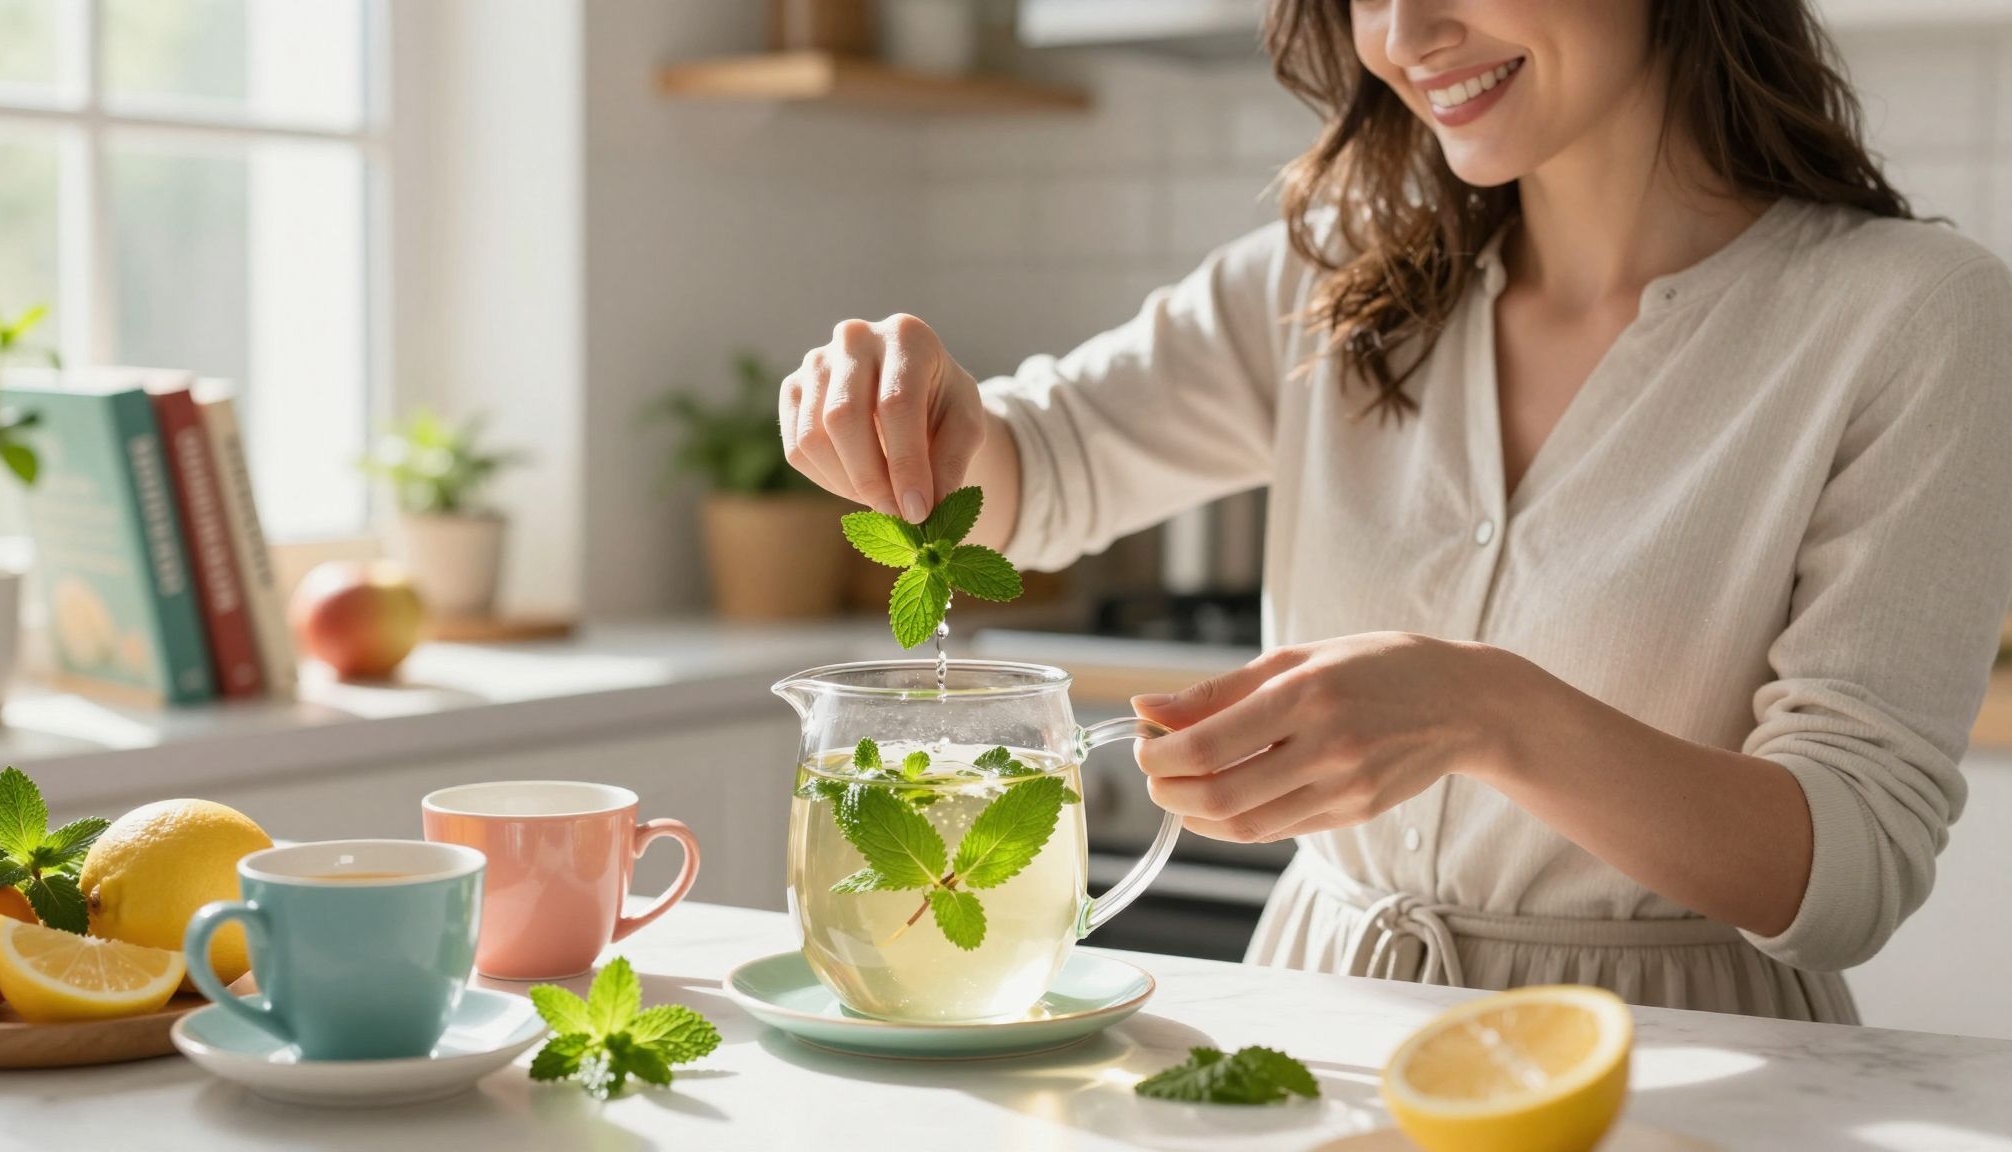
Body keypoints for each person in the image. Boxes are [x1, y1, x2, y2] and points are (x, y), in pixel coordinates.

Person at [776, 0, 2012, 1023]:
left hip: (1675, 1063)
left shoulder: (1910, 317)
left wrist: (1487, 711)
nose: (1401, 31)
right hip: (1327, 1024)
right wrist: (910, 409)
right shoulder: (1327, 268)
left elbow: (1854, 863)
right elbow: (1035, 469)